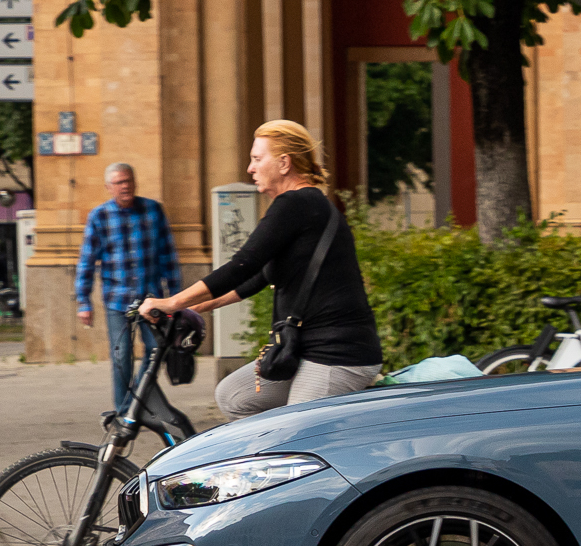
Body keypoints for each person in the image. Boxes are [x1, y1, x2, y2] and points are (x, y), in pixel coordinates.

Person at [142, 121, 381, 416]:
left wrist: (171, 302)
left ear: (284, 163)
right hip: (301, 350)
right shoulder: (305, 206)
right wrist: (194, 308)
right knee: (234, 397)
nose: (249, 169)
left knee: (298, 433)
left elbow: (243, 264)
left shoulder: (295, 204)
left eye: (257, 159)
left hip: (337, 354)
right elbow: (257, 277)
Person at [72, 162, 180, 415]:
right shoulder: (99, 216)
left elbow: (168, 255)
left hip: (151, 298)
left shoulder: (153, 210)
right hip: (116, 299)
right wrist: (83, 302)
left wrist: (176, 298)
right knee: (121, 358)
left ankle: (138, 401)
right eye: (119, 182)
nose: (126, 186)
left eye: (129, 181)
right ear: (109, 187)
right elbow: (87, 260)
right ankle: (124, 412)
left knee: (156, 351)